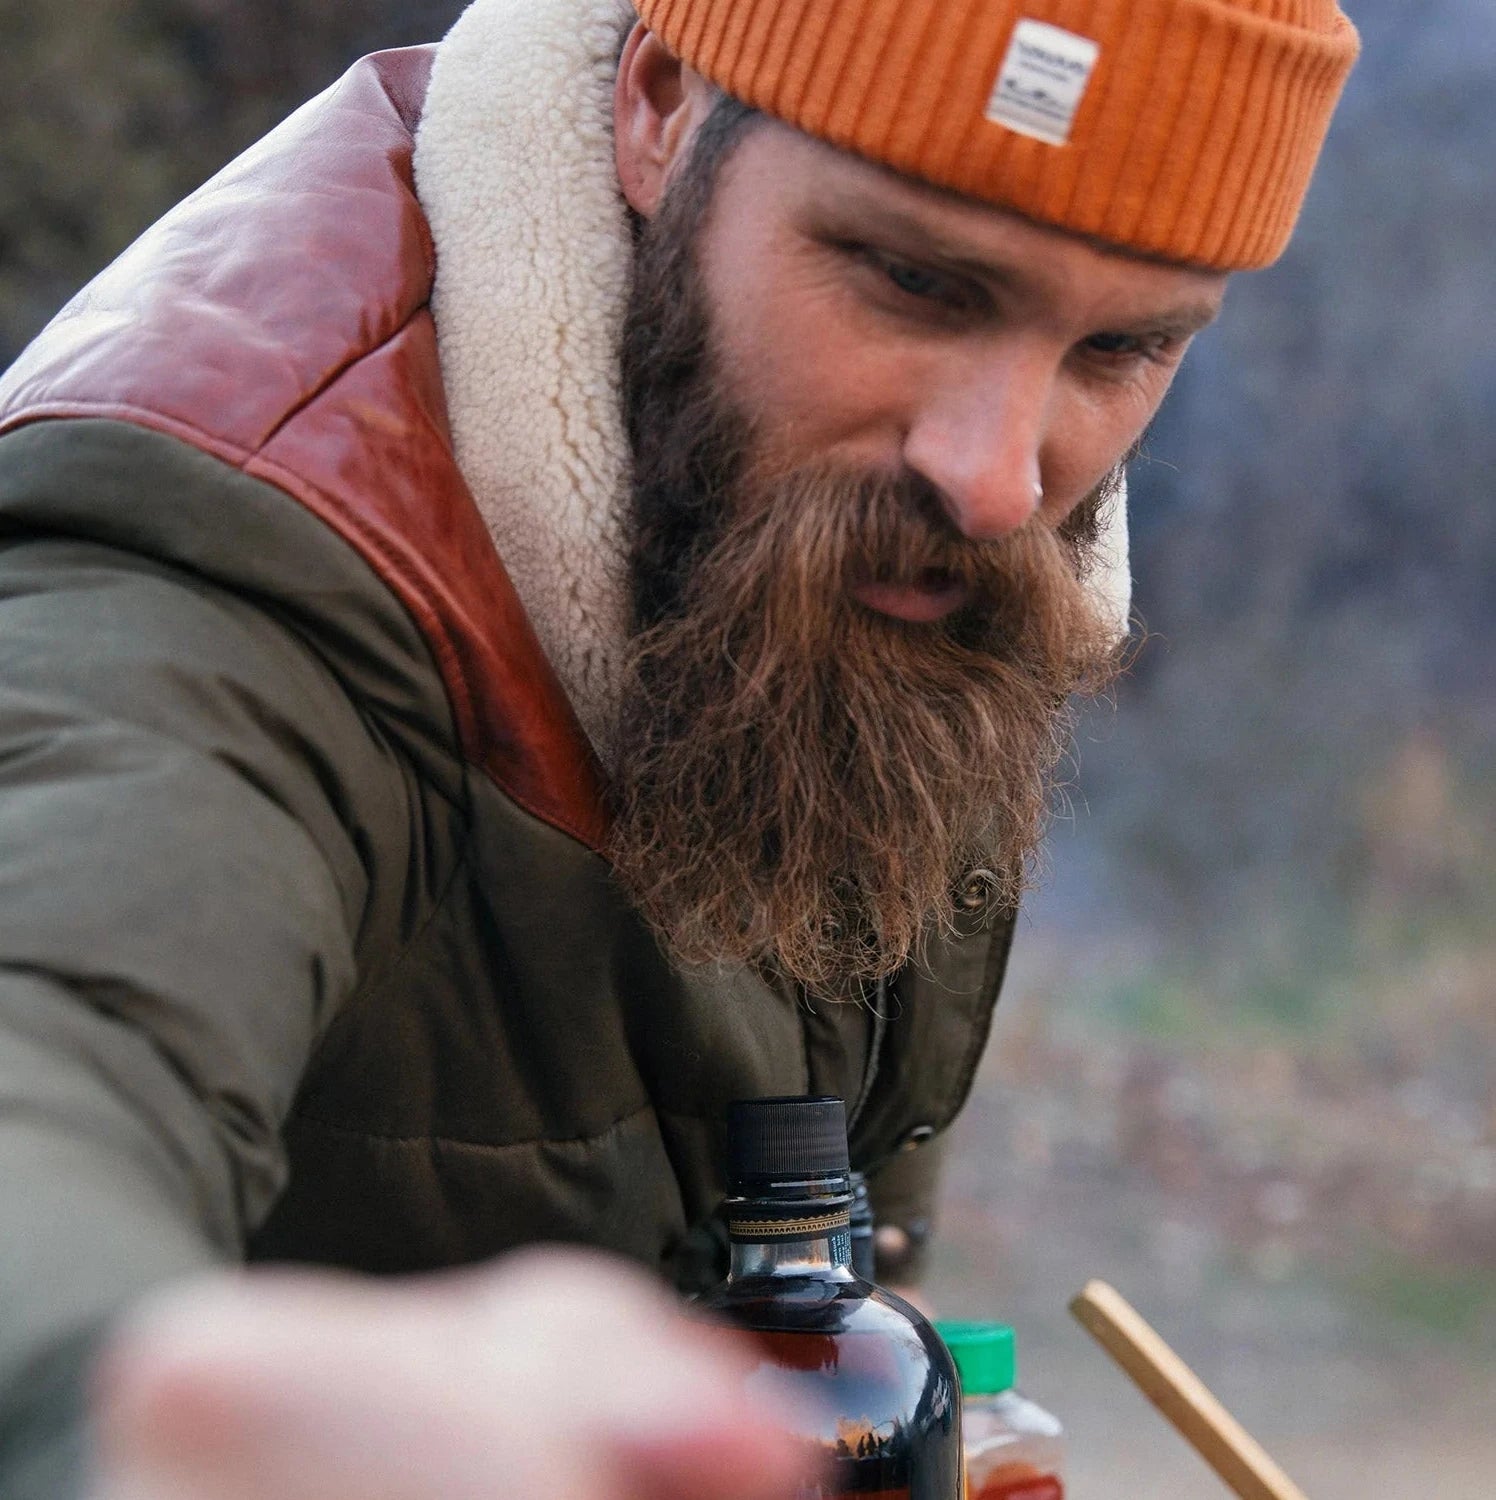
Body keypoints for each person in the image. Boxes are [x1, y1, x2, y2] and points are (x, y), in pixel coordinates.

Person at [0, 0, 1358, 1495]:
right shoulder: (227, 552)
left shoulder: (902, 544)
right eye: (912, 280)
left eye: (1124, 343)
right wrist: (103, 1401)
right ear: (658, 106)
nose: (991, 474)